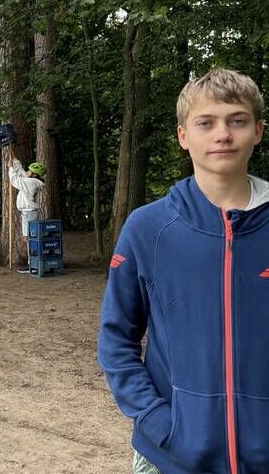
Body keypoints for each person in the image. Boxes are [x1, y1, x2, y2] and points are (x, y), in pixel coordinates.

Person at [98, 68, 269, 474]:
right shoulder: (148, 228)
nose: (222, 134)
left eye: (237, 120)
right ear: (183, 136)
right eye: (205, 123)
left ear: (258, 131)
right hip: (169, 457)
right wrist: (159, 423)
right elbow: (116, 338)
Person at [8, 152, 46, 273]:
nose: (27, 172)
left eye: (30, 171)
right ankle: (32, 263)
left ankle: (32, 264)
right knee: (30, 239)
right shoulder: (32, 180)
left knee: (29, 239)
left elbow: (15, 180)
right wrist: (15, 161)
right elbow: (22, 173)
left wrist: (10, 168)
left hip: (29, 214)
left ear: (34, 174)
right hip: (29, 213)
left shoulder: (31, 182)